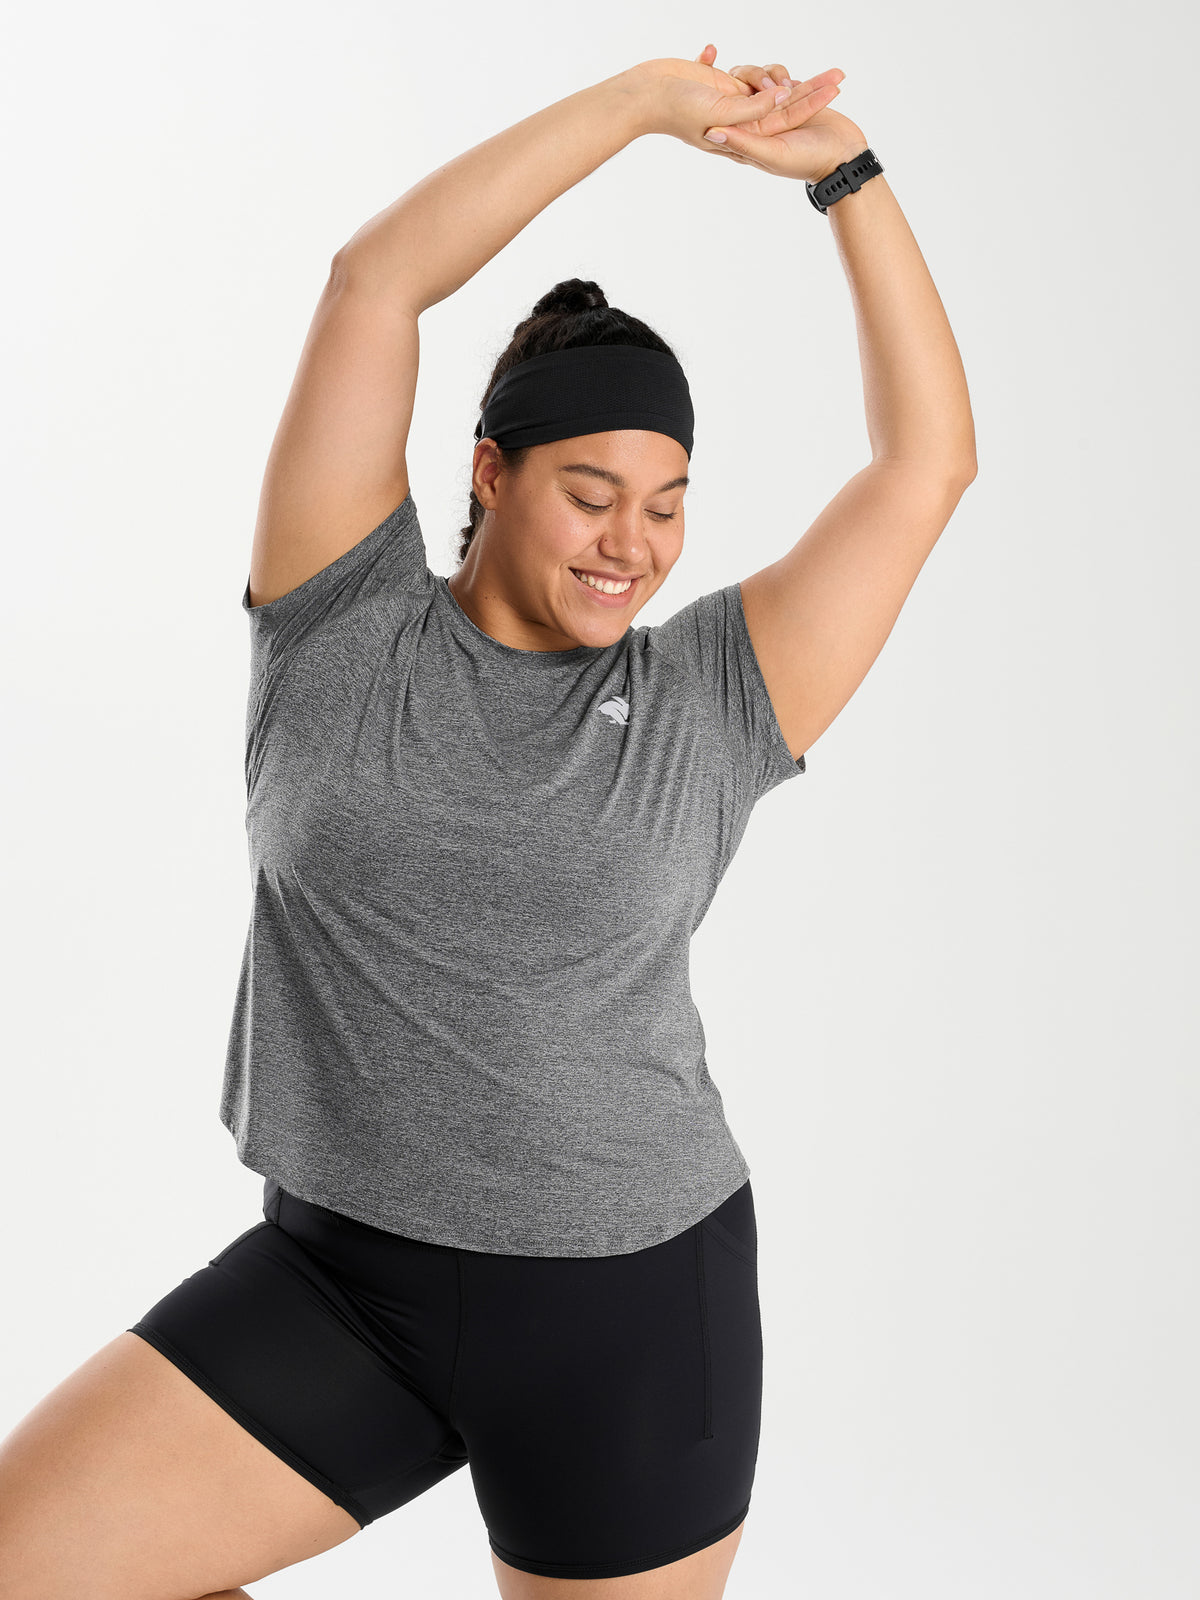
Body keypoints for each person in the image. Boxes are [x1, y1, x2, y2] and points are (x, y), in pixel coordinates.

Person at [0, 44, 976, 1600]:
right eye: (592, 493)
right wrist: (645, 103)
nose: (633, 544)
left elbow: (926, 466)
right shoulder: (339, 622)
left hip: (627, 1316)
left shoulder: (715, 695)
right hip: (337, 1286)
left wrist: (848, 176)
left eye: (668, 503)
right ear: (492, 473)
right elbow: (373, 283)